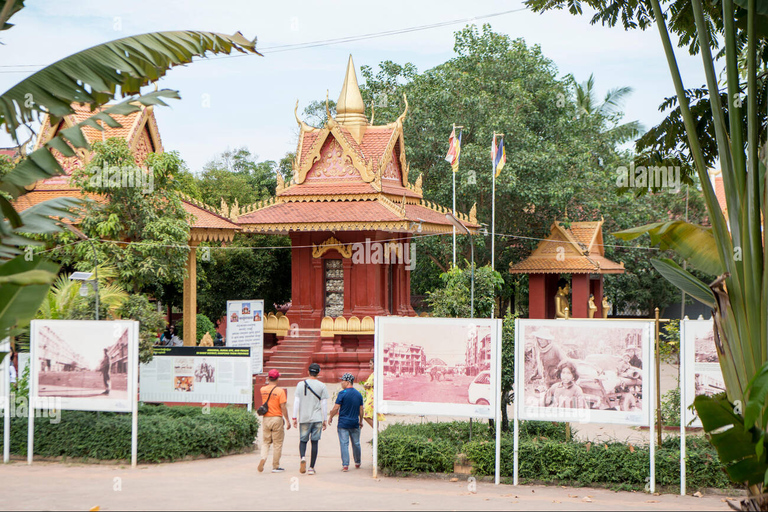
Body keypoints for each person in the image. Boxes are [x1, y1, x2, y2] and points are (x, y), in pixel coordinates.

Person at [292, 363, 329, 475]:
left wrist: (294, 417)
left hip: (304, 418)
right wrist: (325, 419)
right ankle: (311, 468)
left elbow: (296, 402)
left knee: (303, 440)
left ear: (308, 372)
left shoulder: (300, 384)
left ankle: (303, 457)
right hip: (317, 418)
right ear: (318, 373)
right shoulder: (322, 386)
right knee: (314, 442)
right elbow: (324, 404)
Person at [328, 373, 364, 471]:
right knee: (356, 443)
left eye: (342, 381)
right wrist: (360, 421)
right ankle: (357, 462)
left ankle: (345, 465)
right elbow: (361, 410)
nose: (341, 383)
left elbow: (336, 407)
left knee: (344, 444)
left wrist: (330, 416)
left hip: (343, 423)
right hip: (354, 423)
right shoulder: (358, 394)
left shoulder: (342, 394)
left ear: (347, 382)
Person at [258, 369, 291, 473]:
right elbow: (283, 407)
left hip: (266, 418)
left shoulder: (263, 389)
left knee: (266, 442)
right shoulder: (280, 391)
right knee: (277, 443)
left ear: (268, 378)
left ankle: (263, 458)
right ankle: (275, 466)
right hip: (277, 418)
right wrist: (287, 420)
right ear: (277, 379)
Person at [362, 359, 385, 428]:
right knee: (374, 415)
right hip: (372, 396)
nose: (369, 365)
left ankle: (376, 431)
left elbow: (370, 385)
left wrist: (366, 385)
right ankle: (376, 434)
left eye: (371, 364)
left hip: (372, 397)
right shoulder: (375, 374)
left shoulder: (376, 374)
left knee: (366, 414)